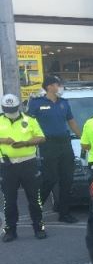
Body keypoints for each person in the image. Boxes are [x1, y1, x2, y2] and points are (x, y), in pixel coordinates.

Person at [27, 75, 81, 223]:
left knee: (67, 179)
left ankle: (64, 213)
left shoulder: (64, 103)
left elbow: (72, 122)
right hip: (48, 144)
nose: (60, 87)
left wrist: (82, 138)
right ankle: (35, 210)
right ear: (50, 86)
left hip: (65, 143)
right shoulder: (37, 102)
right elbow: (28, 124)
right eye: (58, 84)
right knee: (50, 179)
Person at [0, 94, 47, 241]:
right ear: (3, 108)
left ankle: (39, 228)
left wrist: (26, 143)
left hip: (28, 163)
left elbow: (42, 137)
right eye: (8, 108)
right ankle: (10, 231)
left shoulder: (29, 119)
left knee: (34, 199)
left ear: (18, 106)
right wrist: (4, 140)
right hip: (7, 165)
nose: (10, 110)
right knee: (9, 200)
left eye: (12, 108)